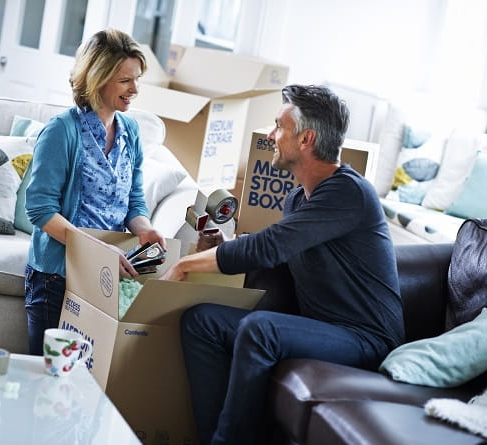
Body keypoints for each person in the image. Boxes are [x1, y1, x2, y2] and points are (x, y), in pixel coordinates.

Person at [161, 84, 404, 444]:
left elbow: (271, 246)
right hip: (320, 326)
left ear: (306, 138)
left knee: (261, 329)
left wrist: (185, 266)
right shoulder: (297, 199)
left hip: (365, 338)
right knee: (202, 321)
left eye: (278, 127)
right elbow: (280, 251)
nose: (271, 136)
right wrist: (225, 245)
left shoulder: (349, 192)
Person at [24, 28, 166, 355]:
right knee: (44, 380)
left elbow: (133, 201)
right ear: (98, 78)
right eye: (125, 80)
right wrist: (99, 252)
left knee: (88, 384)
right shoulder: (61, 131)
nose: (134, 90)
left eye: (137, 79)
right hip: (56, 277)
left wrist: (145, 229)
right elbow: (41, 210)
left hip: (104, 276)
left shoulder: (130, 131)